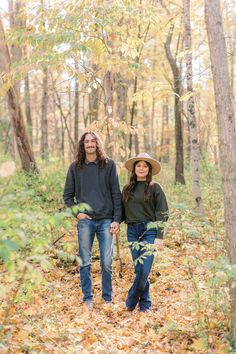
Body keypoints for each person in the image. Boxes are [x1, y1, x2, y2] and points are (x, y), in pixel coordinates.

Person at [63, 131, 122, 309]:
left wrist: (117, 220)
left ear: (98, 144)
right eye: (86, 141)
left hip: (106, 220)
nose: (89, 144)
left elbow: (116, 194)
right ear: (82, 145)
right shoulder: (75, 167)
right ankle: (87, 297)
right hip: (85, 221)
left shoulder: (109, 165)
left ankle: (107, 298)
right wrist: (77, 214)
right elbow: (67, 196)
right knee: (85, 262)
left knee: (106, 262)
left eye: (93, 141)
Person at [122, 152, 169, 312]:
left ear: (149, 169)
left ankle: (130, 301)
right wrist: (112, 221)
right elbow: (121, 212)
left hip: (149, 231)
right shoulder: (127, 188)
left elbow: (162, 212)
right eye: (138, 165)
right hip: (132, 232)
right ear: (134, 169)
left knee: (145, 269)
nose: (141, 168)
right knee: (139, 270)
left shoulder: (155, 187)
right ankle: (145, 305)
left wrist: (159, 236)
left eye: (145, 166)